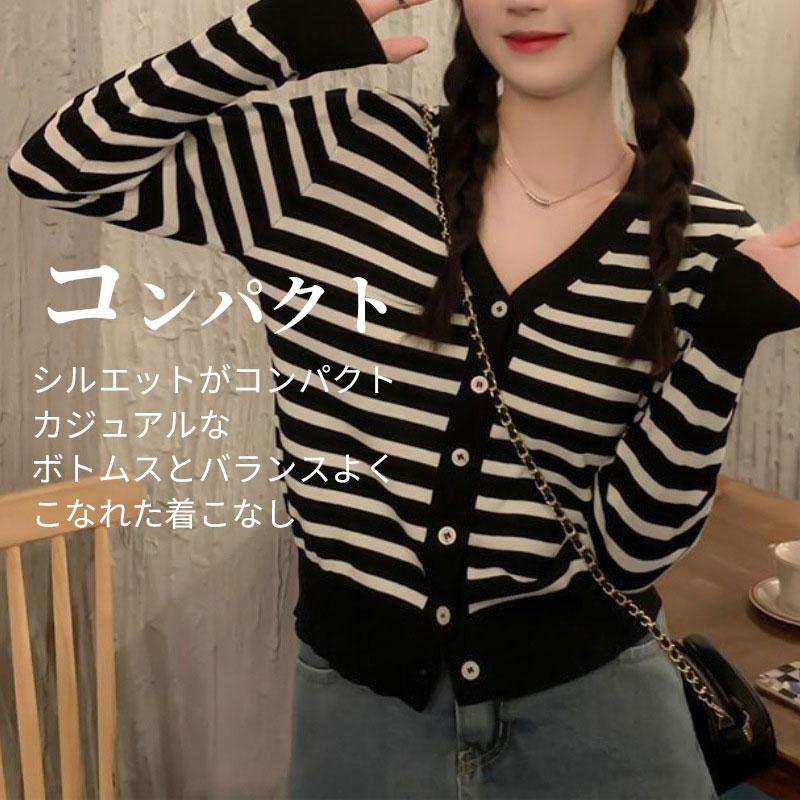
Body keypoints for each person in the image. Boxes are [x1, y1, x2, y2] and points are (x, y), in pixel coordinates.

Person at [8, 0, 800, 798]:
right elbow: (59, 164)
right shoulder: (341, 156)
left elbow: (629, 553)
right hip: (363, 720)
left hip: (599, 722)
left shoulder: (706, 243)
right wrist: (282, 33)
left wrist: (725, 339)